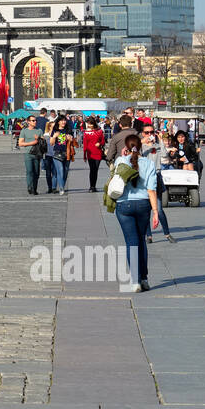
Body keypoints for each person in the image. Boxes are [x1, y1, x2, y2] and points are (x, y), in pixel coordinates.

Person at [104, 132, 160, 292]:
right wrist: (155, 211)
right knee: (142, 240)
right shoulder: (148, 164)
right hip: (143, 204)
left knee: (131, 242)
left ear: (125, 148)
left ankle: (135, 281)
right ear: (140, 147)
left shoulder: (121, 161)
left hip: (124, 205)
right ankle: (144, 278)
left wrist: (123, 156)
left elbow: (114, 179)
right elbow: (151, 190)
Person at [47, 115, 75, 195]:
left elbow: (73, 141)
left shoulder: (68, 130)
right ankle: (61, 188)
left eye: (64, 120)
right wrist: (54, 136)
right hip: (57, 153)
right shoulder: (55, 130)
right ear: (58, 122)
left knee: (65, 171)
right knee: (60, 171)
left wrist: (71, 139)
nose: (63, 122)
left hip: (67, 153)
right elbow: (52, 143)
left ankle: (62, 185)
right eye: (62, 120)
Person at [18, 115, 45, 195]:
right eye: (33, 120)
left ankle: (35, 188)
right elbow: (20, 143)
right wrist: (31, 143)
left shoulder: (39, 130)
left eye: (35, 120)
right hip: (28, 154)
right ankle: (30, 187)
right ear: (28, 122)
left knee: (36, 172)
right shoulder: (24, 131)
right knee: (29, 171)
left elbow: (43, 143)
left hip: (37, 154)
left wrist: (39, 139)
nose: (35, 122)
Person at [82, 117, 106, 192]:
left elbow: (103, 141)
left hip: (98, 152)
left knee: (95, 170)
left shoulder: (99, 131)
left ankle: (94, 186)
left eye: (90, 124)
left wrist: (100, 143)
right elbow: (85, 144)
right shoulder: (86, 132)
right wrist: (84, 155)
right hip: (90, 153)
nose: (89, 125)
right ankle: (91, 186)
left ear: (94, 123)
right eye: (88, 124)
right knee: (92, 169)